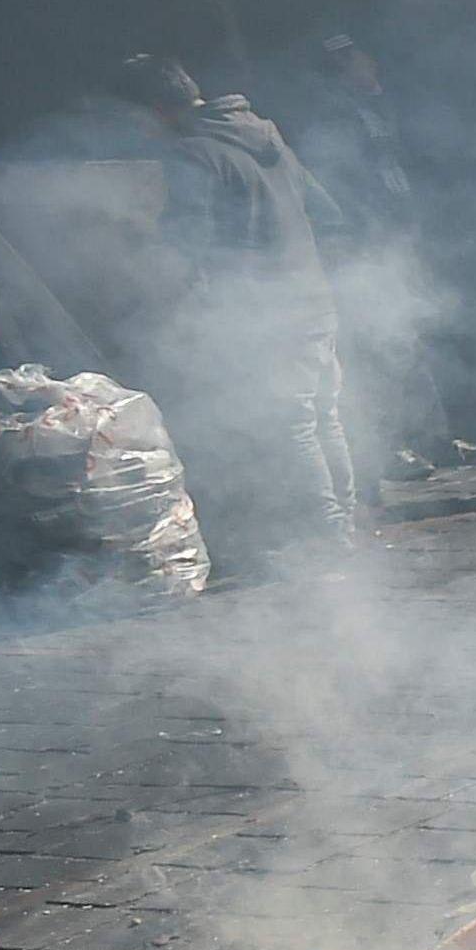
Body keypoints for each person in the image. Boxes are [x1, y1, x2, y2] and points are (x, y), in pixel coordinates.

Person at [106, 54, 356, 575]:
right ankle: (342, 530)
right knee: (321, 416)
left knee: (291, 425)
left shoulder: (194, 154)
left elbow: (185, 241)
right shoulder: (267, 137)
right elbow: (328, 213)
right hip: (312, 297)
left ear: (154, 108)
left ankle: (328, 542)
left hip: (264, 311)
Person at [283, 34, 464, 487]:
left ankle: (434, 437)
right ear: (343, 67)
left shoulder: (374, 108)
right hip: (366, 246)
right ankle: (390, 447)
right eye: (364, 60)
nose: (375, 66)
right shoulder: (328, 119)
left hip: (397, 238)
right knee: (376, 348)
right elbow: (342, 186)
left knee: (410, 339)